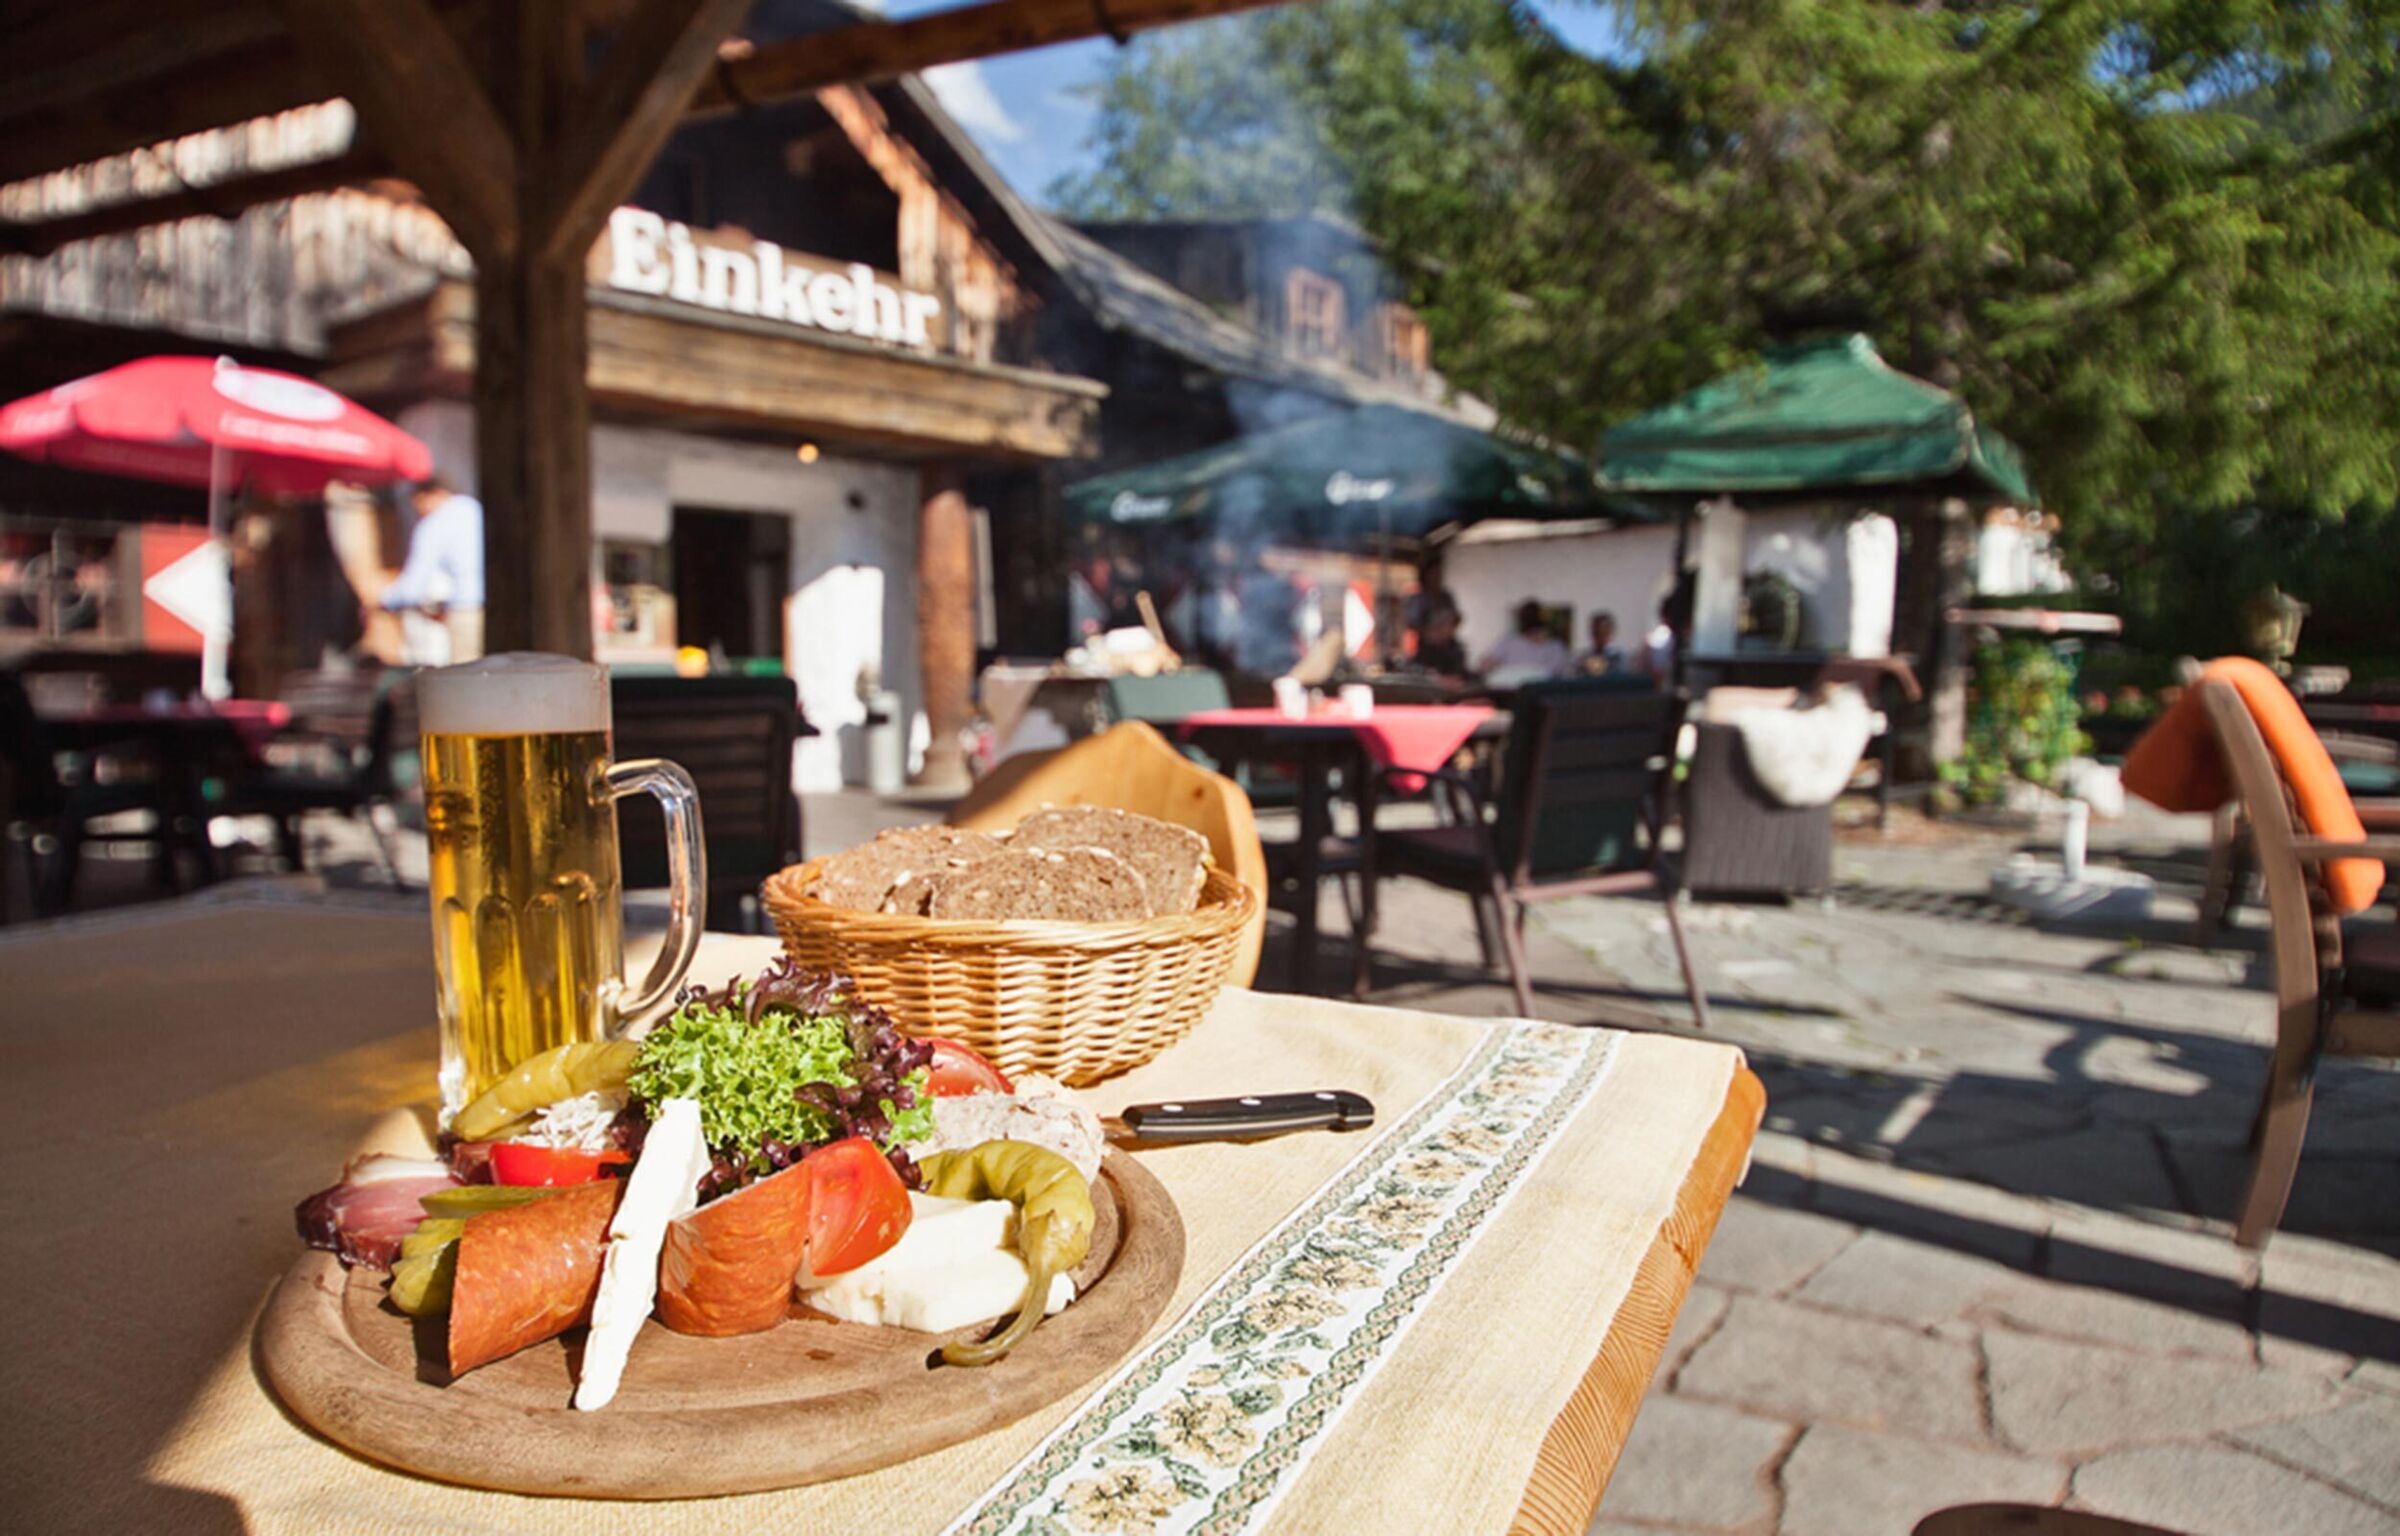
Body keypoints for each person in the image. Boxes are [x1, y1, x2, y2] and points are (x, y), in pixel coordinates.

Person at [380, 475, 485, 664]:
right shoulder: (476, 509)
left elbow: (413, 586)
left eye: (419, 503)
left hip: (465, 612)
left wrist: (383, 601)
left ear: (433, 494)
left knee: (467, 683)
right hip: (489, 607)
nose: (419, 511)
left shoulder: (435, 522)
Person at [1478, 599, 1571, 682]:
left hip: (1542, 694)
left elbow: (1563, 673)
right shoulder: (1509, 641)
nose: (1534, 635)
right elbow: (1486, 664)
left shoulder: (1554, 647)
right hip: (1511, 694)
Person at [1413, 603, 1469, 678]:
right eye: (1448, 625)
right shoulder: (1424, 648)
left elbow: (1460, 673)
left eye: (1453, 626)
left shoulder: (1455, 648)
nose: (1451, 630)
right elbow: (1415, 668)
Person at [1578, 611, 1627, 675]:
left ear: (1609, 631)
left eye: (1600, 632)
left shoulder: (1619, 657)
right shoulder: (1585, 657)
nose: (1596, 637)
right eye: (1594, 633)